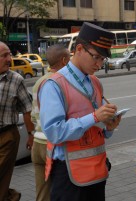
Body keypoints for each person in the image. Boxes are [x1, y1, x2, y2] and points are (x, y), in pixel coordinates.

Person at [39, 22, 121, 201]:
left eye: (103, 59)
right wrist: (94, 117)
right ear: (79, 49)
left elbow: (99, 131)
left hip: (97, 170)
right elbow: (54, 132)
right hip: (69, 175)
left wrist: (109, 126)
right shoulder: (54, 85)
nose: (99, 65)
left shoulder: (95, 83)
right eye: (96, 57)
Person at [31, 44, 70, 201]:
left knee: (42, 194)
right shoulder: (60, 82)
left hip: (37, 144)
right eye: (70, 58)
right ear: (63, 60)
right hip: (52, 147)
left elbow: (34, 117)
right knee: (60, 192)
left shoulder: (38, 82)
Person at [0, 41, 34, 200]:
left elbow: (27, 109)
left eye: (10, 54)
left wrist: (31, 134)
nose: (9, 59)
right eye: (4, 55)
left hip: (7, 136)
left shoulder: (16, 79)